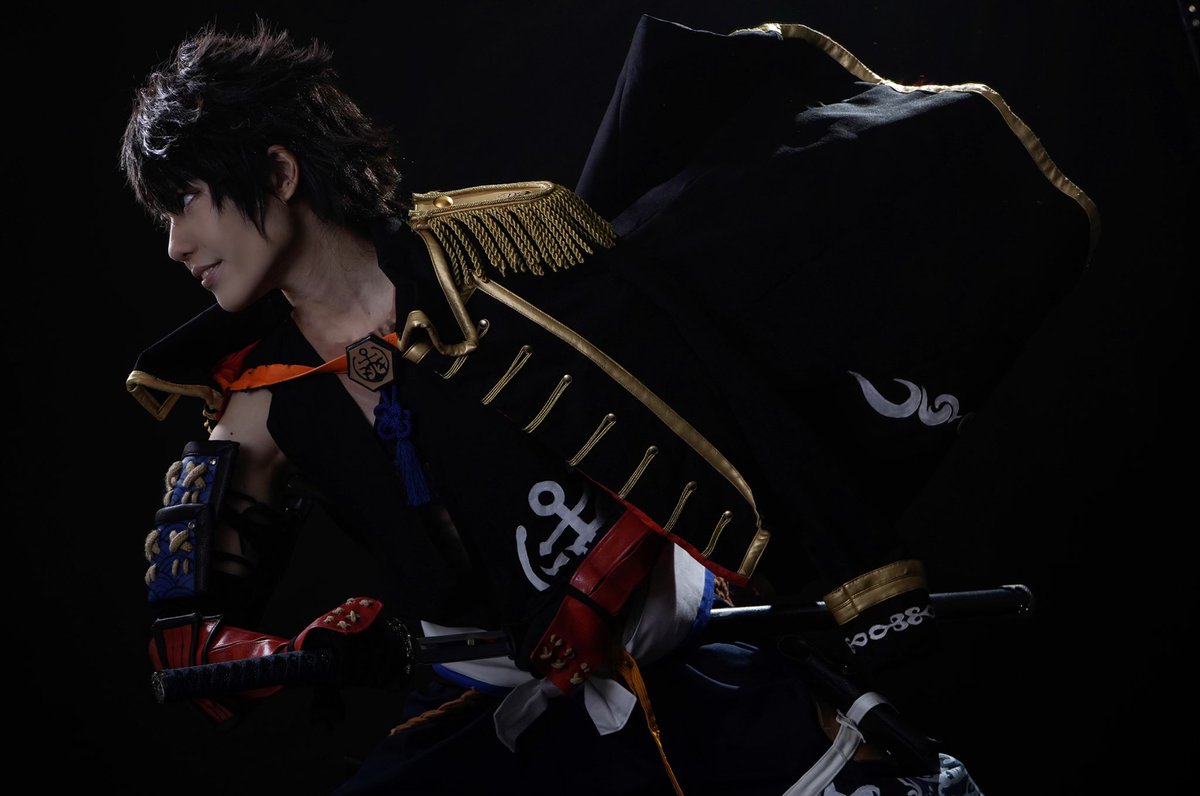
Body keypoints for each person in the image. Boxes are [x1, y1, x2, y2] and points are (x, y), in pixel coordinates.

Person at [122, 14, 1095, 796]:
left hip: (692, 679)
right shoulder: (256, 402)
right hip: (491, 725)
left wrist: (619, 573)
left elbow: (694, 408)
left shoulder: (511, 253)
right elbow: (187, 651)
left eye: (185, 201)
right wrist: (307, 651)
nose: (174, 245)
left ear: (278, 173)